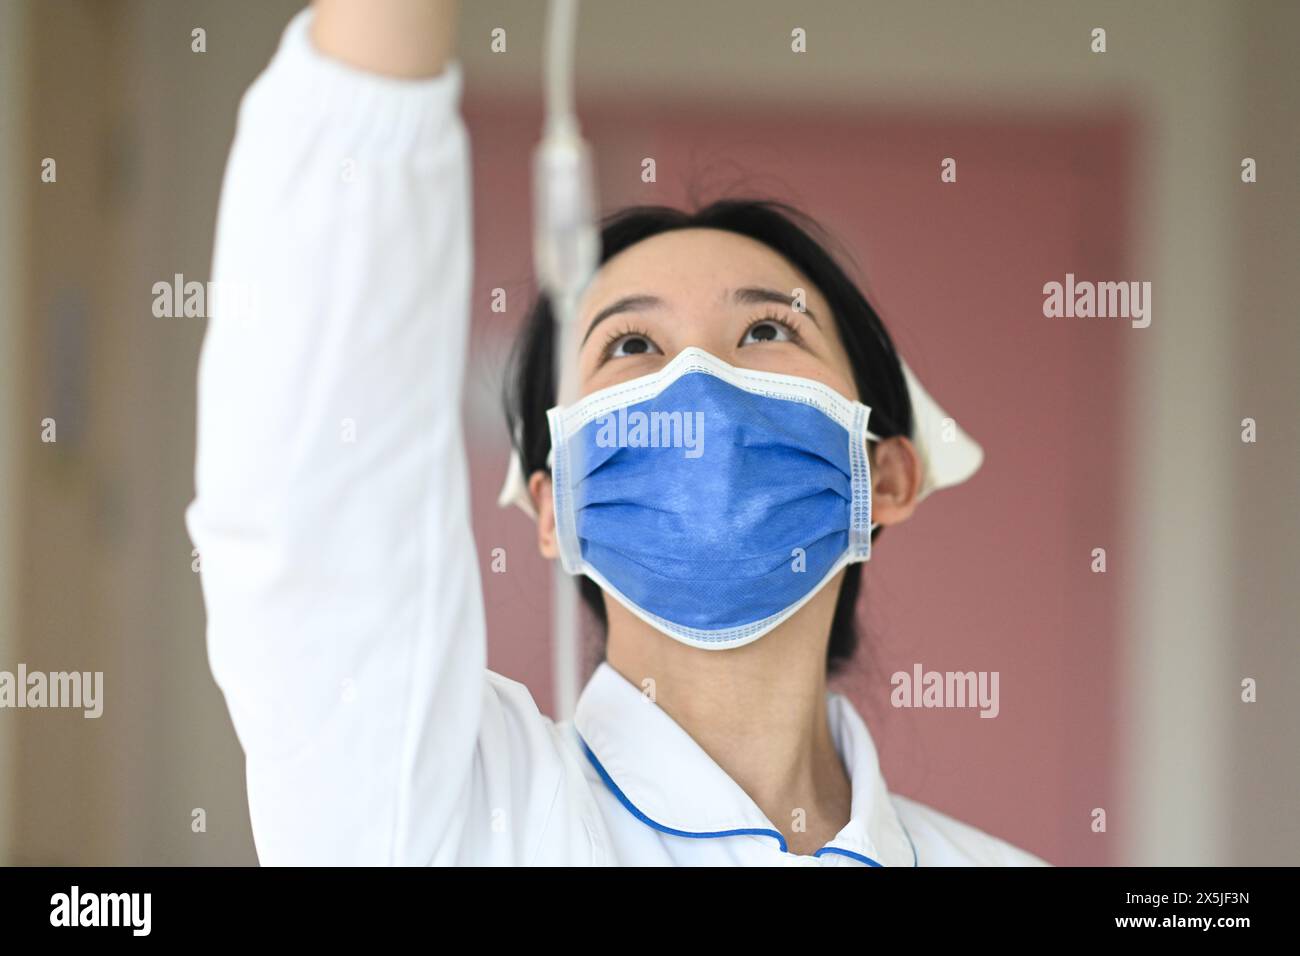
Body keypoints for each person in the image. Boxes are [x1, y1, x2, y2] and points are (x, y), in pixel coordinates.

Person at [186, 0, 1050, 866]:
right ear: (554, 502)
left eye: (767, 331)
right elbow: (316, 521)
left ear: (886, 473)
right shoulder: (447, 813)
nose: (701, 381)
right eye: (632, 345)